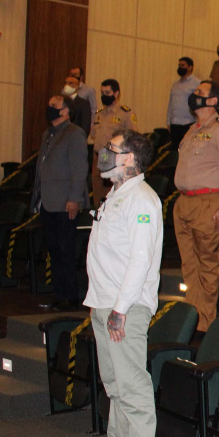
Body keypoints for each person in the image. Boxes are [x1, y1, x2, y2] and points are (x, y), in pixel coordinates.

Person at [74, 129, 162, 437]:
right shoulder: (117, 194)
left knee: (133, 387)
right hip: (105, 301)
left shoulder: (142, 199)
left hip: (124, 308)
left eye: (113, 149)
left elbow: (140, 261)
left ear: (130, 158)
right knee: (115, 385)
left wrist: (120, 311)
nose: (104, 153)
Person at [173, 81, 219, 334]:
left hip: (209, 203)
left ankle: (205, 326)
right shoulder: (192, 130)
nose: (194, 96)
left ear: (213, 101)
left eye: (200, 93)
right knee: (189, 266)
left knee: (207, 267)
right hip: (184, 203)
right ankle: (192, 320)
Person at [30, 95, 89, 311]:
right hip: (48, 200)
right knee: (54, 249)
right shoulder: (48, 133)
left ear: (65, 111)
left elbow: (79, 169)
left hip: (65, 202)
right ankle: (59, 293)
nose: (50, 108)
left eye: (54, 105)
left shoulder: (74, 133)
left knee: (65, 249)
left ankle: (71, 296)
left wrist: (74, 198)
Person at [88, 79, 139, 208]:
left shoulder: (125, 113)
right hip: (98, 156)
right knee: (98, 193)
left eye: (107, 92)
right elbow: (93, 134)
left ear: (116, 93)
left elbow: (133, 137)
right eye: (102, 92)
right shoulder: (99, 114)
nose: (104, 95)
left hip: (114, 159)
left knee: (112, 195)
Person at [168, 57, 201, 151]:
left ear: (190, 67)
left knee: (187, 150)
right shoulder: (175, 84)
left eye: (183, 65)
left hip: (188, 123)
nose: (180, 67)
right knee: (175, 151)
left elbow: (199, 103)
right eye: (179, 65)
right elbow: (171, 103)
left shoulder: (197, 83)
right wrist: (168, 121)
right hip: (175, 123)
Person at [69, 67, 97, 132]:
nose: (73, 76)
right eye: (71, 74)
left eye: (75, 74)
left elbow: (93, 109)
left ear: (81, 77)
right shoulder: (66, 89)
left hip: (81, 123)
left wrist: (91, 125)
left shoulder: (88, 90)